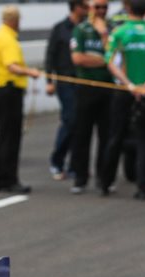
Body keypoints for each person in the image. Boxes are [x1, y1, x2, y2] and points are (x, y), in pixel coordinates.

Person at [102, 0, 145, 198]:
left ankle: (105, 183)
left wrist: (129, 85)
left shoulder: (119, 33)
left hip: (124, 92)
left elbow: (110, 62)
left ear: (127, 9)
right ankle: (143, 188)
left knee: (115, 136)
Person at [0, 6, 43, 192]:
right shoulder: (8, 39)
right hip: (8, 90)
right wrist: (31, 72)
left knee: (3, 135)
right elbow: (12, 66)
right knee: (11, 137)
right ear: (15, 20)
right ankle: (9, 179)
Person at [69, 0, 115, 193]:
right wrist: (103, 60)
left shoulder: (112, 30)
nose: (101, 11)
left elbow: (114, 58)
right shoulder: (81, 29)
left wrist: (104, 36)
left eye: (105, 7)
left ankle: (104, 179)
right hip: (86, 87)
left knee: (107, 135)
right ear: (90, 8)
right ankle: (80, 178)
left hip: (108, 88)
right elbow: (78, 58)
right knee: (81, 133)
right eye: (98, 7)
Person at [45, 1, 88, 179]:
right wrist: (49, 80)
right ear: (75, 7)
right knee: (70, 120)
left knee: (82, 124)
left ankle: (75, 165)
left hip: (85, 82)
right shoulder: (60, 28)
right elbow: (50, 55)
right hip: (66, 81)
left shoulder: (87, 28)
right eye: (84, 6)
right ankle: (57, 161)